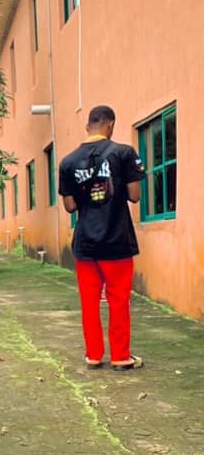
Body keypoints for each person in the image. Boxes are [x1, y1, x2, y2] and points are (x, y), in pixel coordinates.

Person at [59, 105, 146, 370]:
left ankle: (94, 355)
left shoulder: (67, 162)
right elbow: (135, 195)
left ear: (88, 127)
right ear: (111, 125)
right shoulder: (124, 153)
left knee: (89, 302)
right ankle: (120, 357)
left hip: (85, 242)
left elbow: (70, 206)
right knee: (118, 301)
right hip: (116, 240)